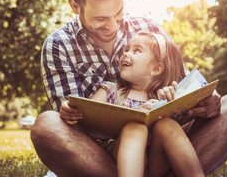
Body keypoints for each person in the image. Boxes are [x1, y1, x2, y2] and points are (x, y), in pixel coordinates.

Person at [31, 0, 227, 176]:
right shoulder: (59, 45)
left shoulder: (148, 29)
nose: (112, 26)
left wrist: (207, 100)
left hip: (164, 149)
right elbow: (74, 129)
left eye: (118, 13)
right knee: (47, 125)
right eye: (100, 18)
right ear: (75, 6)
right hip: (104, 157)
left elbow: (184, 83)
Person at [86, 31, 204, 177]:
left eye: (136, 51)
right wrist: (134, 116)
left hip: (156, 164)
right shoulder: (110, 91)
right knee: (135, 128)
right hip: (116, 161)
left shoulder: (164, 97)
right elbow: (85, 121)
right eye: (127, 49)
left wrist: (169, 103)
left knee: (167, 125)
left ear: (156, 69)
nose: (126, 54)